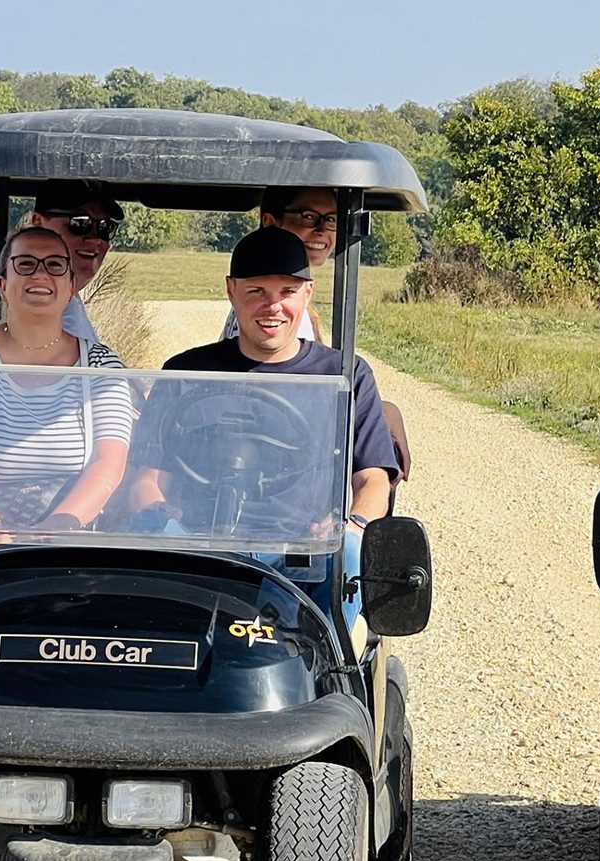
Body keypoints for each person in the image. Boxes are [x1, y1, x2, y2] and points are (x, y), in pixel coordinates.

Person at [129, 227, 400, 626]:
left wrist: (351, 524)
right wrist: (163, 518)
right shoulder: (186, 372)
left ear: (306, 295)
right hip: (200, 545)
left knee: (354, 550)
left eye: (287, 292)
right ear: (231, 291)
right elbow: (145, 478)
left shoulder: (343, 374)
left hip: (305, 554)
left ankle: (331, 671)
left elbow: (374, 479)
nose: (272, 307)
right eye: (257, 292)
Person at [0, 227, 137, 541]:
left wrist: (55, 530)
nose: (40, 275)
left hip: (68, 537)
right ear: (3, 284)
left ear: (70, 286)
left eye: (54, 265)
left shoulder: (101, 364)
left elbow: (108, 462)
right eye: (25, 264)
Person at [0, 181, 124, 343]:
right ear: (38, 222)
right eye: (79, 223)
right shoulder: (34, 309)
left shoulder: (65, 303)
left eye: (105, 227)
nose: (95, 239)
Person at [216, 186, 338, 345]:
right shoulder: (273, 317)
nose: (322, 230)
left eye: (331, 219)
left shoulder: (249, 302)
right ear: (270, 223)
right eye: (308, 217)